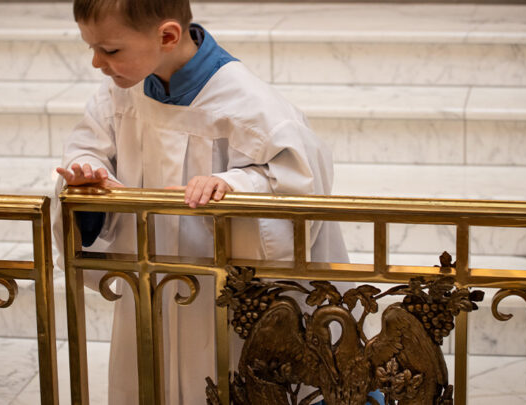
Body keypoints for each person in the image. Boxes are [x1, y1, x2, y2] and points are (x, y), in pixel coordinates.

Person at [53, 0, 375, 403]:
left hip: (222, 293)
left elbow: (299, 185)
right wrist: (88, 176)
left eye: (110, 50)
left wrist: (232, 185)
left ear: (167, 36)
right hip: (151, 280)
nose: (98, 63)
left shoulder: (248, 102)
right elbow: (88, 146)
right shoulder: (119, 92)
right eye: (92, 48)